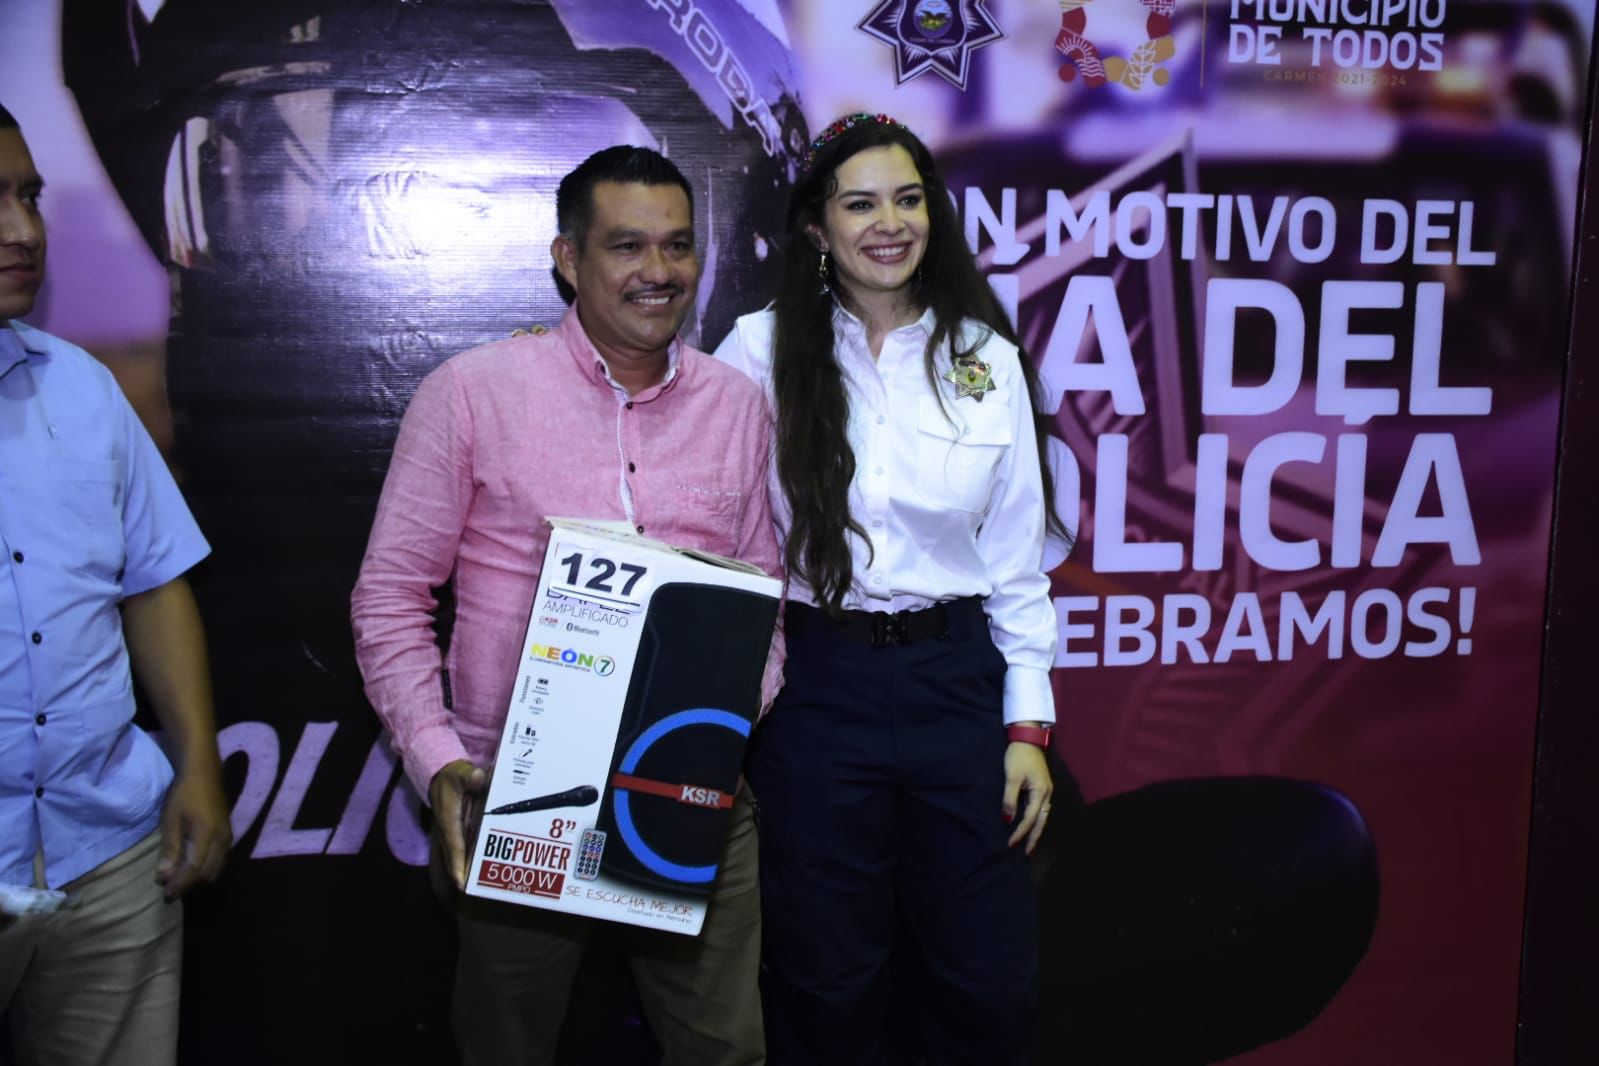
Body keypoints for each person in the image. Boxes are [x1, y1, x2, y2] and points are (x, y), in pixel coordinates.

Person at [350, 145, 781, 1066]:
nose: (658, 270)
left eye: (677, 245)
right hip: (516, 795)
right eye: (626, 246)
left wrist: (725, 721)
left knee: (724, 1050)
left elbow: (763, 597)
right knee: (507, 1048)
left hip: (687, 791)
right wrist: (437, 760)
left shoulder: (737, 405)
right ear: (567, 258)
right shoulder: (472, 393)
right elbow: (389, 597)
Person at [715, 113, 1062, 1066]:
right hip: (814, 689)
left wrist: (1027, 728)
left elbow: (1016, 564)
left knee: (987, 979)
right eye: (860, 203)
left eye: (907, 200)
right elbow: (685, 492)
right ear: (816, 227)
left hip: (957, 685)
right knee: (826, 978)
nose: (889, 223)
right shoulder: (755, 351)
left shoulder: (985, 359)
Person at [0, 103, 231, 1065]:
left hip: (112, 855)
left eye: (29, 197)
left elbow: (153, 584)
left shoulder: (83, 387)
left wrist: (198, 763)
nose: (22, 229)